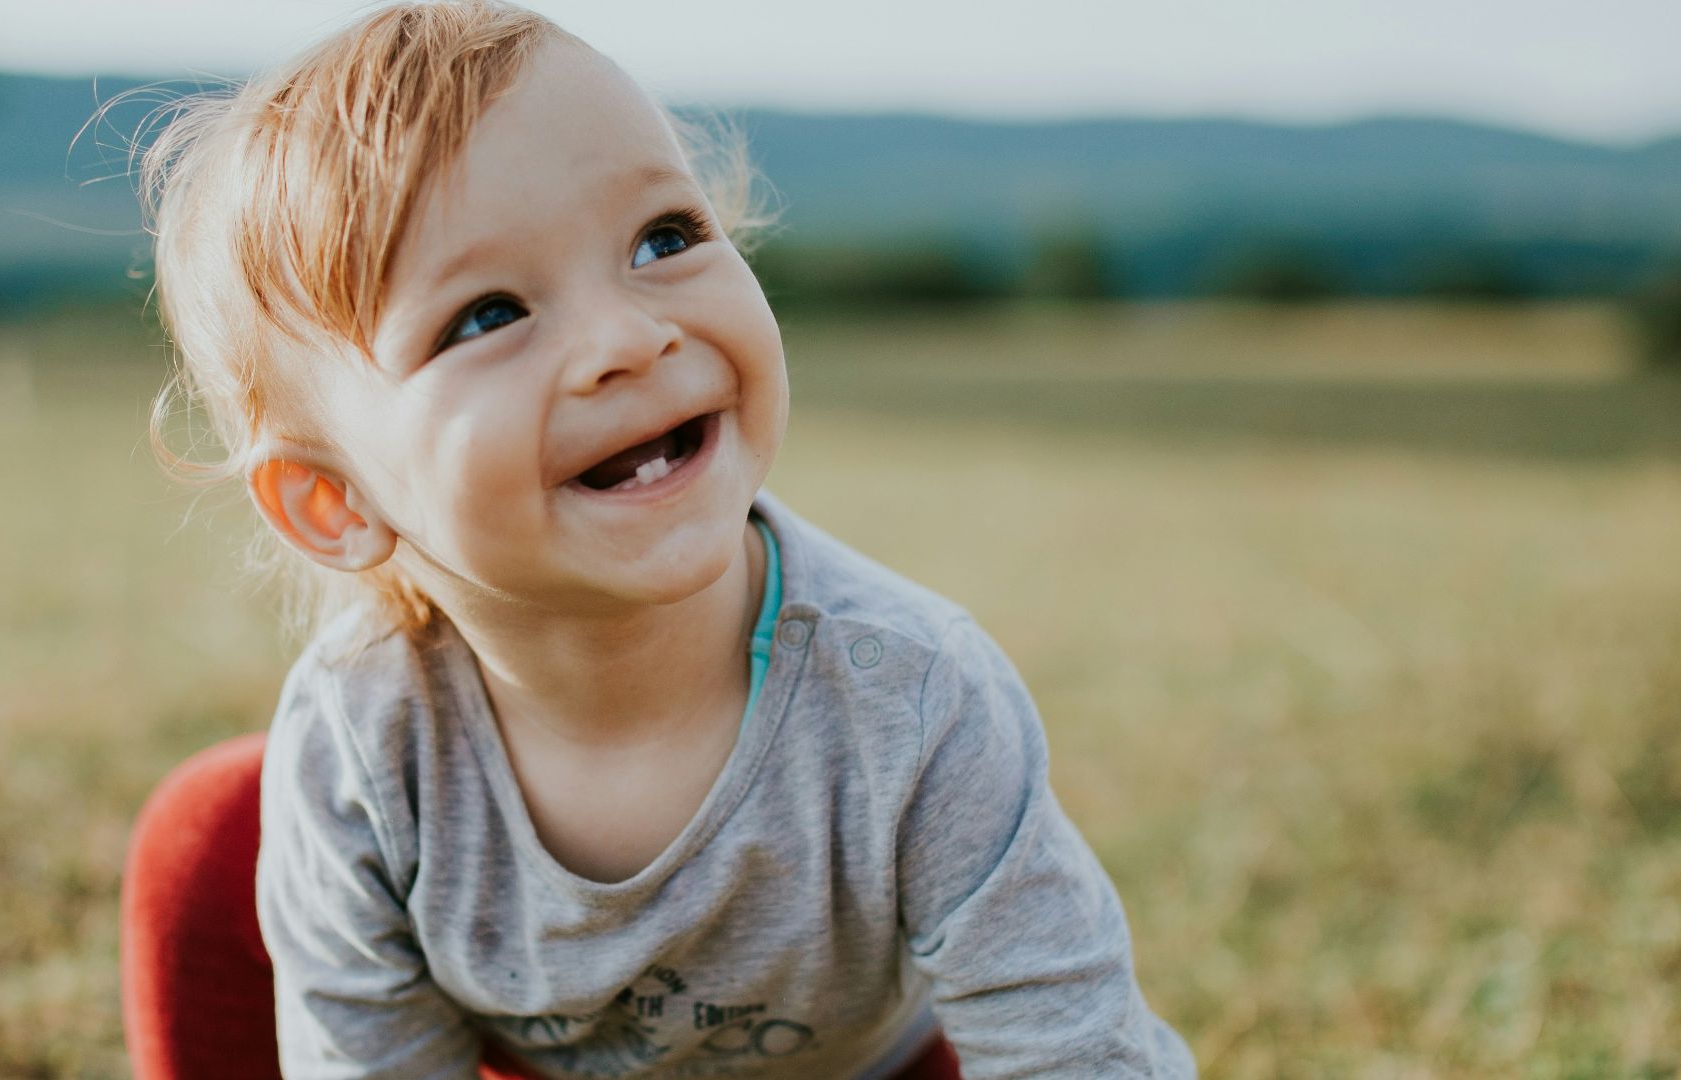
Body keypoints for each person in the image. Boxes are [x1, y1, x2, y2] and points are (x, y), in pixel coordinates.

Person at [122, 2, 1196, 1077]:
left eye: (664, 239)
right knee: (215, 829)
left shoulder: (914, 701)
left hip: (875, 1070)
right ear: (334, 503)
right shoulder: (364, 740)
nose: (629, 339)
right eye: (489, 314)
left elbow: (1073, 1051)